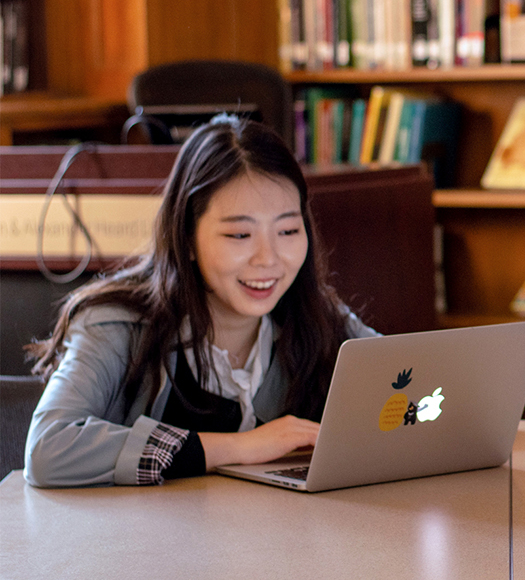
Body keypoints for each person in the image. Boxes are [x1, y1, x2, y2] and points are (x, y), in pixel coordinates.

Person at [24, 115, 379, 488]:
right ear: (188, 237)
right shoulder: (117, 323)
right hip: (143, 543)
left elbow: (412, 389)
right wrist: (237, 448)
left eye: (288, 230)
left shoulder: (319, 317)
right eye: (240, 234)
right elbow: (48, 449)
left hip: (282, 541)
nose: (268, 259)